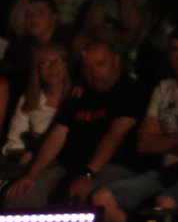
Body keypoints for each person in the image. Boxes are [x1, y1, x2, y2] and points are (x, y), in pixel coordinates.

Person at [90, 27, 178, 222]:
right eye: (175, 50)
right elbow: (143, 142)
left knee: (164, 203)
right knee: (101, 198)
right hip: (162, 172)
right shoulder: (163, 88)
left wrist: (162, 140)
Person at [2, 38, 146, 208]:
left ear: (116, 61)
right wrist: (30, 175)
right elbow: (58, 134)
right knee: (18, 198)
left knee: (79, 197)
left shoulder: (130, 91)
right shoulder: (80, 93)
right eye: (88, 67)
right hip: (69, 167)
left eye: (101, 64)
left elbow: (113, 137)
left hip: (112, 166)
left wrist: (88, 173)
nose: (94, 72)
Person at [1, 44, 72, 179]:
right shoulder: (30, 101)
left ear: (66, 65)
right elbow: (14, 142)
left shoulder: (76, 96)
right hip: (39, 162)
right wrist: (21, 155)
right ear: (37, 70)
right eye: (45, 62)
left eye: (58, 61)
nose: (52, 67)